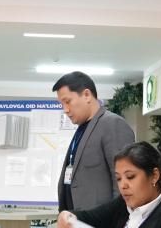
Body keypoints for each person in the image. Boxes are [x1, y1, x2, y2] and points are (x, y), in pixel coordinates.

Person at [54, 71, 135, 212]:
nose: (65, 110)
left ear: (86, 95)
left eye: (67, 102)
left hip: (102, 224)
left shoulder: (112, 124)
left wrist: (116, 221)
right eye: (62, 104)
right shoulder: (82, 128)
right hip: (75, 222)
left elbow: (123, 182)